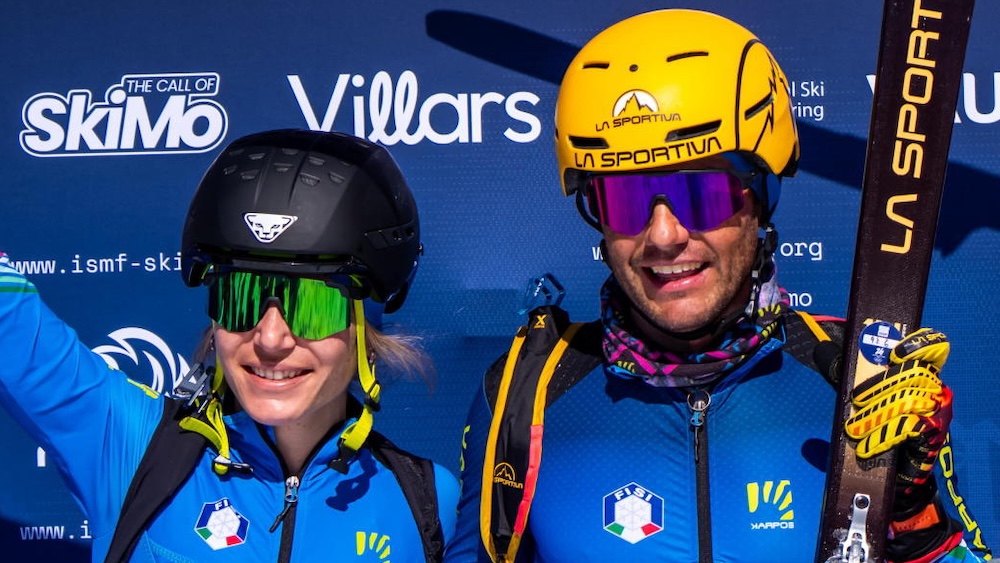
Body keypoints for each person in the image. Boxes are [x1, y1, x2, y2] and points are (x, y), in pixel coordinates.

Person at [447, 9, 990, 563]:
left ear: (761, 197)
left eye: (700, 195)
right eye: (626, 201)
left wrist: (914, 523)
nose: (662, 236)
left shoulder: (852, 376)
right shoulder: (529, 390)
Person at [0, 129, 458, 562]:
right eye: (241, 299)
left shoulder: (428, 500)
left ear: (366, 332)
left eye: (313, 306)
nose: (271, 339)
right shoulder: (131, 446)